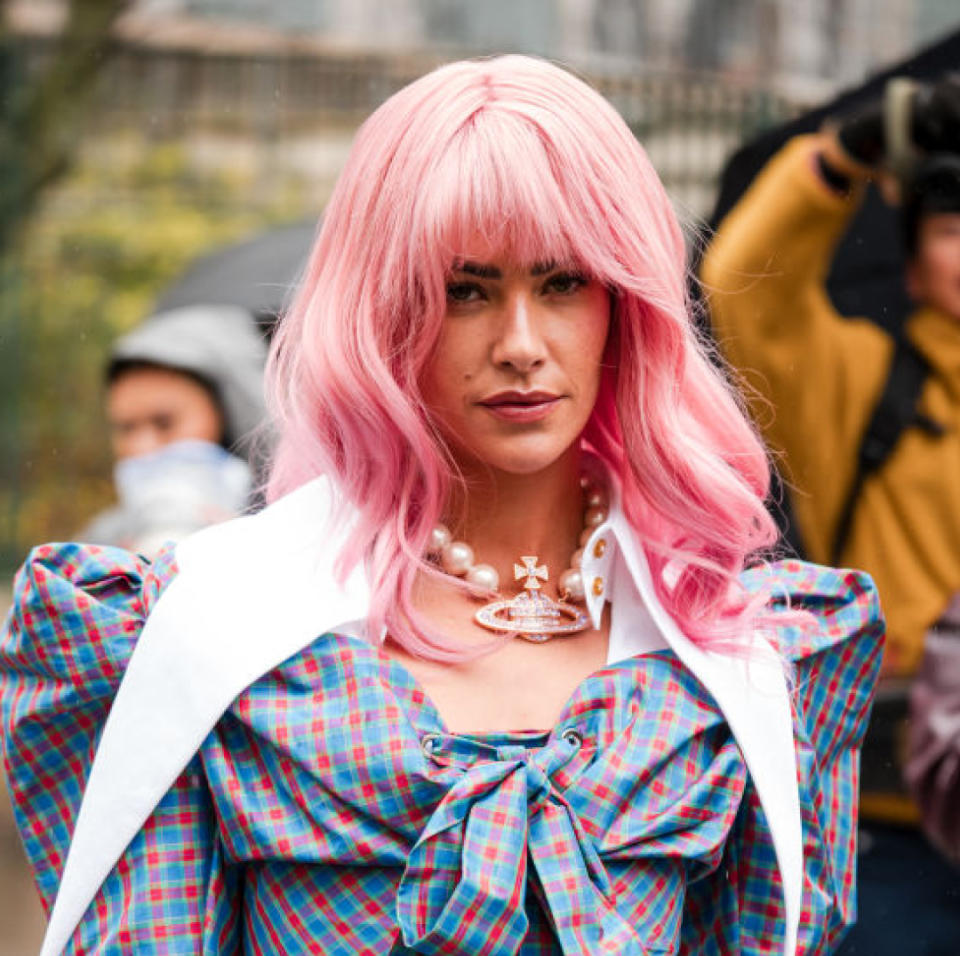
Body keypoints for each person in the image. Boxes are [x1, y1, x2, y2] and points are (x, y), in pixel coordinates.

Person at [2, 56, 881, 955]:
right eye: (465, 290)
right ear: (382, 312)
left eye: (563, 282)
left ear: (627, 302)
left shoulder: (738, 652)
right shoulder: (210, 625)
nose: (521, 345)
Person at [701, 76, 960, 953]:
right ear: (913, 258)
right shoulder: (856, 381)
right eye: (954, 229)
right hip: (891, 830)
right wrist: (851, 150)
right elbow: (743, 281)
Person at [79, 304, 269, 554]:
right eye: (126, 428)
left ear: (229, 413)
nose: (143, 448)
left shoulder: (299, 529)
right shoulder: (99, 545)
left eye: (165, 422)